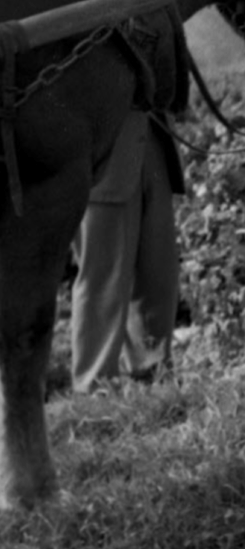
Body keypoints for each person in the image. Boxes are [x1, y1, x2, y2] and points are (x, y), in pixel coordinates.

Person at [70, 109, 184, 392]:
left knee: (158, 272)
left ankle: (153, 376)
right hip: (102, 160)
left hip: (152, 137)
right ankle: (94, 387)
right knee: (103, 278)